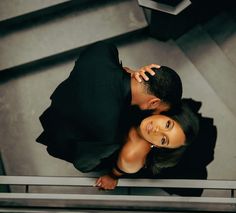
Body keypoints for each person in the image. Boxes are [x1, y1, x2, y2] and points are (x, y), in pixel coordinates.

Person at [36, 41, 183, 173]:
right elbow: (83, 164)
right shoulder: (108, 132)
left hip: (60, 106)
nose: (152, 115)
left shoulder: (103, 50)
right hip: (64, 134)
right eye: (155, 110)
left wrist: (128, 73)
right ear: (153, 102)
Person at [95, 102, 199, 190]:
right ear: (166, 113)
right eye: (167, 125)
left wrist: (112, 177)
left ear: (158, 146)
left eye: (163, 140)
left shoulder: (131, 154)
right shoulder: (154, 104)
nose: (157, 130)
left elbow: (116, 172)